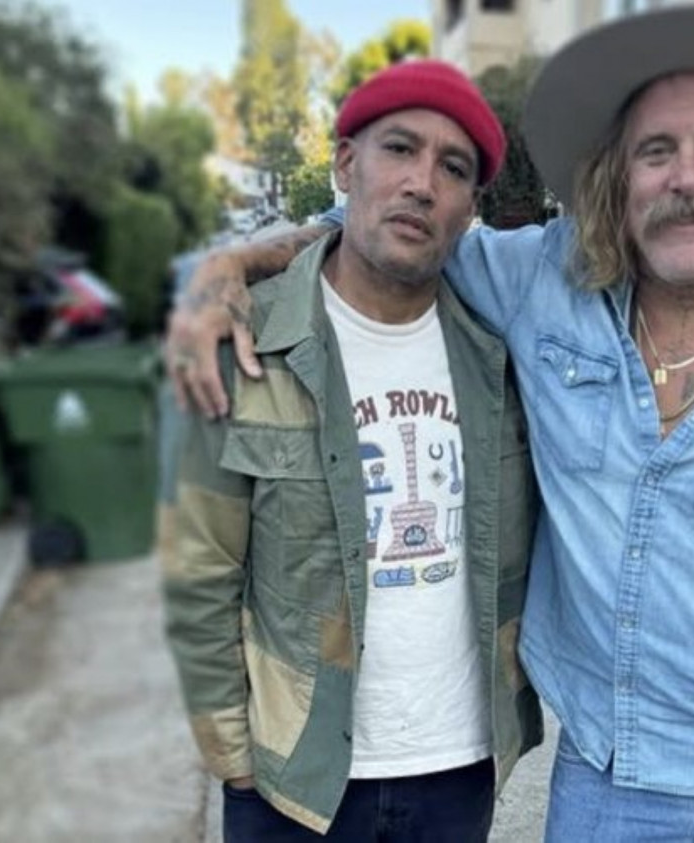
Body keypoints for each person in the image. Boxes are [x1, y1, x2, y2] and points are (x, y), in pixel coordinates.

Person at [167, 7, 694, 841]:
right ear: (617, 178)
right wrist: (229, 265)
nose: (686, 176)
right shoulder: (541, 282)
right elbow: (391, 234)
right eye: (655, 150)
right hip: (608, 786)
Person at [160, 60, 543, 842]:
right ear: (345, 164)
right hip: (292, 780)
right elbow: (198, 565)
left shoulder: (502, 355)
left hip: (456, 769)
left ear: (471, 206)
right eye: (398, 148)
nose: (421, 184)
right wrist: (233, 755)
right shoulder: (248, 342)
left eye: (453, 168)